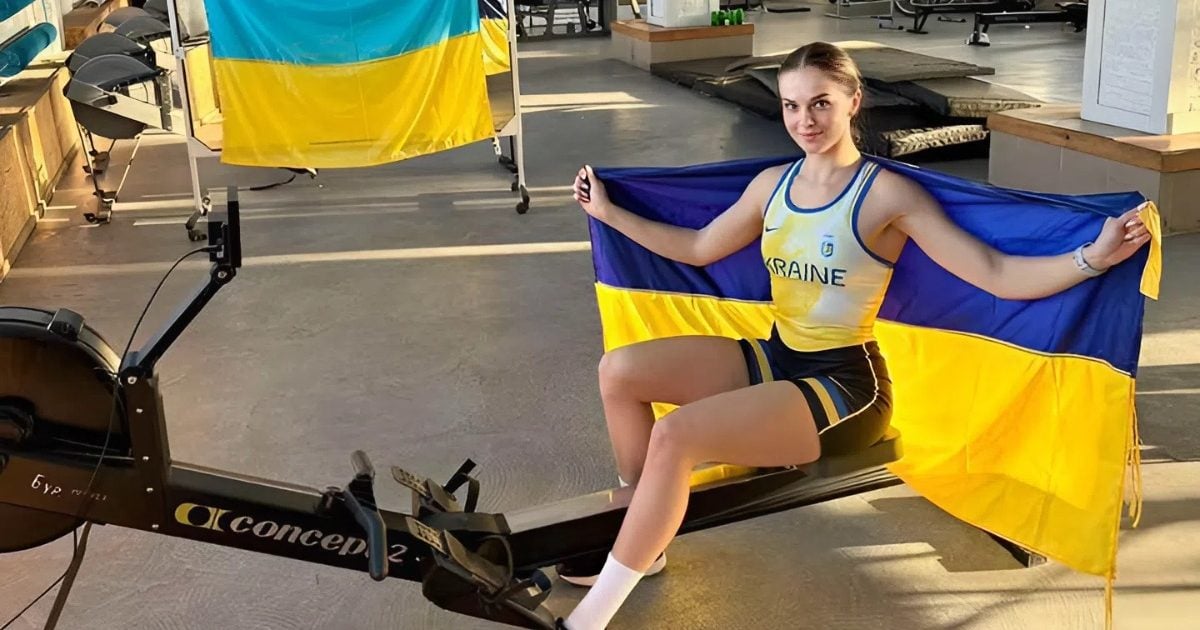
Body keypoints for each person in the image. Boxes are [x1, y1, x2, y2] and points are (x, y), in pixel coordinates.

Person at [555, 41, 1152, 630]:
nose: (805, 120)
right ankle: (644, 535)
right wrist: (609, 214)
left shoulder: (886, 194)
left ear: (853, 101)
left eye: (820, 103)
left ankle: (590, 620)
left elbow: (994, 274)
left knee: (675, 434)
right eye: (791, 106)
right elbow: (697, 247)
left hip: (845, 386)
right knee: (620, 372)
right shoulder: (771, 185)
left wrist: (1092, 259)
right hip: (779, 356)